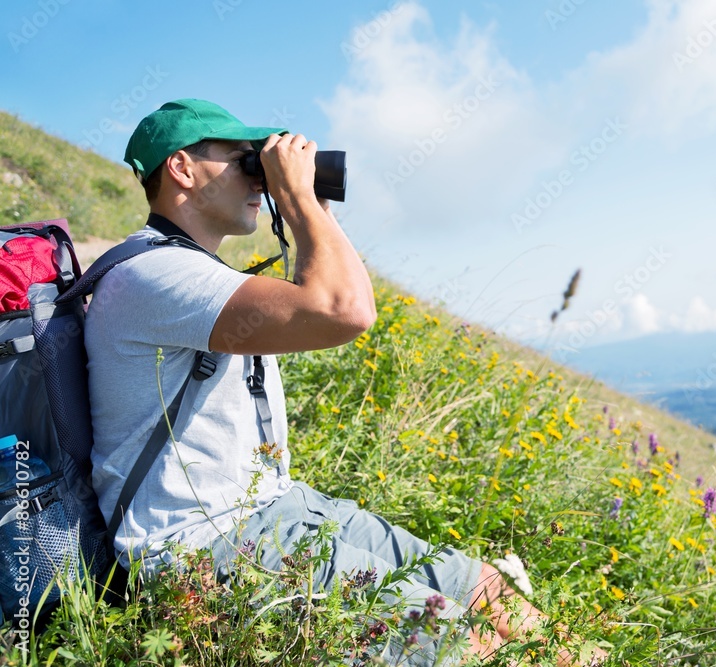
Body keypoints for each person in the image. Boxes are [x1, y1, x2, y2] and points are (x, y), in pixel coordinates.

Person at [86, 99, 581, 665]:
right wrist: (296, 199)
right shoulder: (154, 274)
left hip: (277, 508)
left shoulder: (192, 272)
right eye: (246, 160)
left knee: (489, 592)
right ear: (182, 168)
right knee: (465, 644)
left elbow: (322, 296)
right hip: (202, 545)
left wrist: (314, 205)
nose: (261, 175)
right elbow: (344, 310)